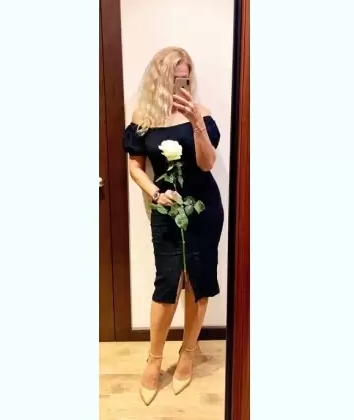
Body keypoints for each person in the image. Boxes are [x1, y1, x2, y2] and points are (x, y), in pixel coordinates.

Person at [122, 46, 224, 406]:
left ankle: (188, 352)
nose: (184, 81)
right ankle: (154, 359)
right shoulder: (142, 117)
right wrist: (154, 192)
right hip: (165, 210)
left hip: (203, 208)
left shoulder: (202, 114)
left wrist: (196, 122)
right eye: (176, 76)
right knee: (168, 281)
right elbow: (135, 167)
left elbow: (207, 164)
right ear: (160, 76)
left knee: (198, 279)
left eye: (187, 76)